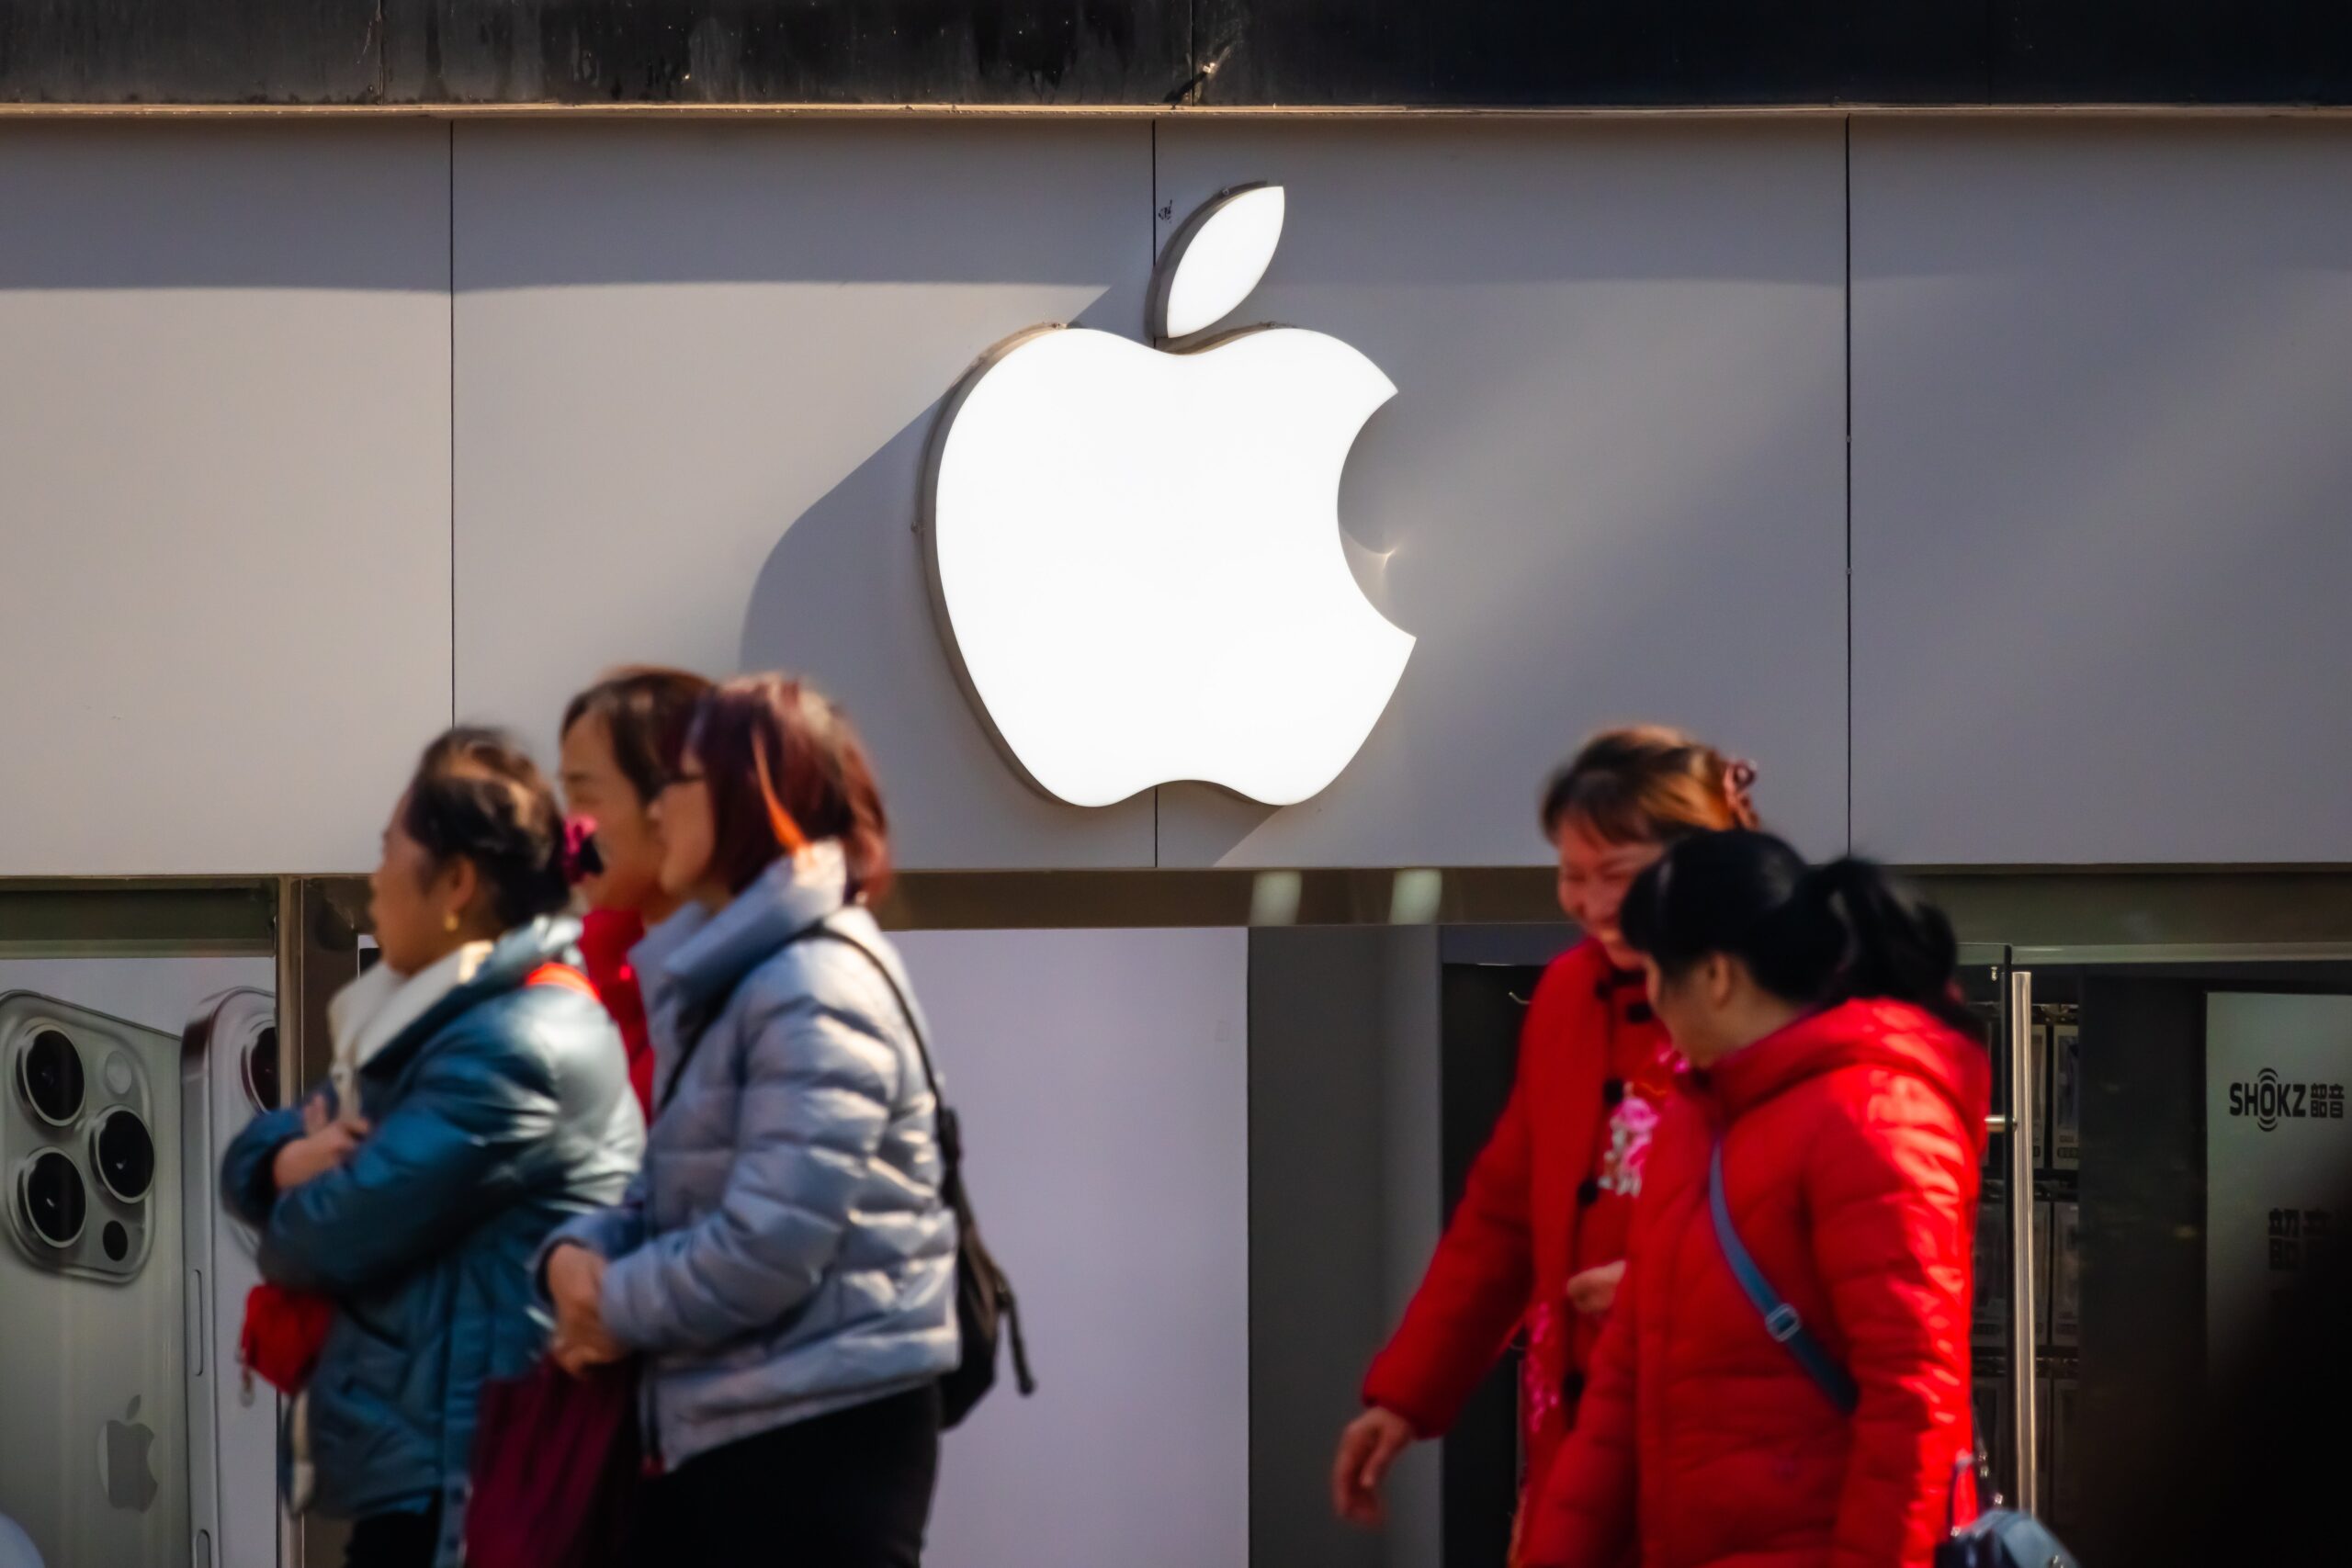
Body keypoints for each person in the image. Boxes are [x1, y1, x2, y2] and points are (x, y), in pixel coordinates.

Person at [540, 674, 957, 1568]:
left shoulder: (808, 981)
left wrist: (607, 1302)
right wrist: (569, 1257)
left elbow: (768, 1244)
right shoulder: (746, 974)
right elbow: (671, 1194)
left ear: (745, 799)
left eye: (678, 785)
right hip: (750, 1430)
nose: (658, 812)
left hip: (812, 1445)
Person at [220, 728, 644, 1568]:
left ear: (455, 884)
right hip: (436, 1474)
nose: (375, 879)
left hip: (478, 1489)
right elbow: (261, 1154)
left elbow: (323, 1233)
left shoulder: (519, 1039)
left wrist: (288, 1183)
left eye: (389, 852)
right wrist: (277, 1162)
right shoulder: (437, 1024)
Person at [1521, 829, 1988, 1568]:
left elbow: (1914, 1406)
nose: (1647, 1000)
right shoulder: (1697, 1120)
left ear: (1714, 977)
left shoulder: (1873, 1116)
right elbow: (1621, 1390)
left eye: (1652, 973)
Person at [1335, 728, 1760, 1535]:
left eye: (1620, 877)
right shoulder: (1566, 996)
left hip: (1733, 1467)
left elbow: (1839, 1237)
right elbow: (1502, 1220)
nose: (1594, 904)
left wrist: (1673, 1292)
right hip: (1576, 1453)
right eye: (1572, 876)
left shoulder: (1776, 997)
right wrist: (1405, 1395)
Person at [557, 665, 713, 1117]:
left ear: (669, 799)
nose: (569, 830)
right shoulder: (583, 978)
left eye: (586, 797)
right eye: (567, 798)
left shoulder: (754, 989)